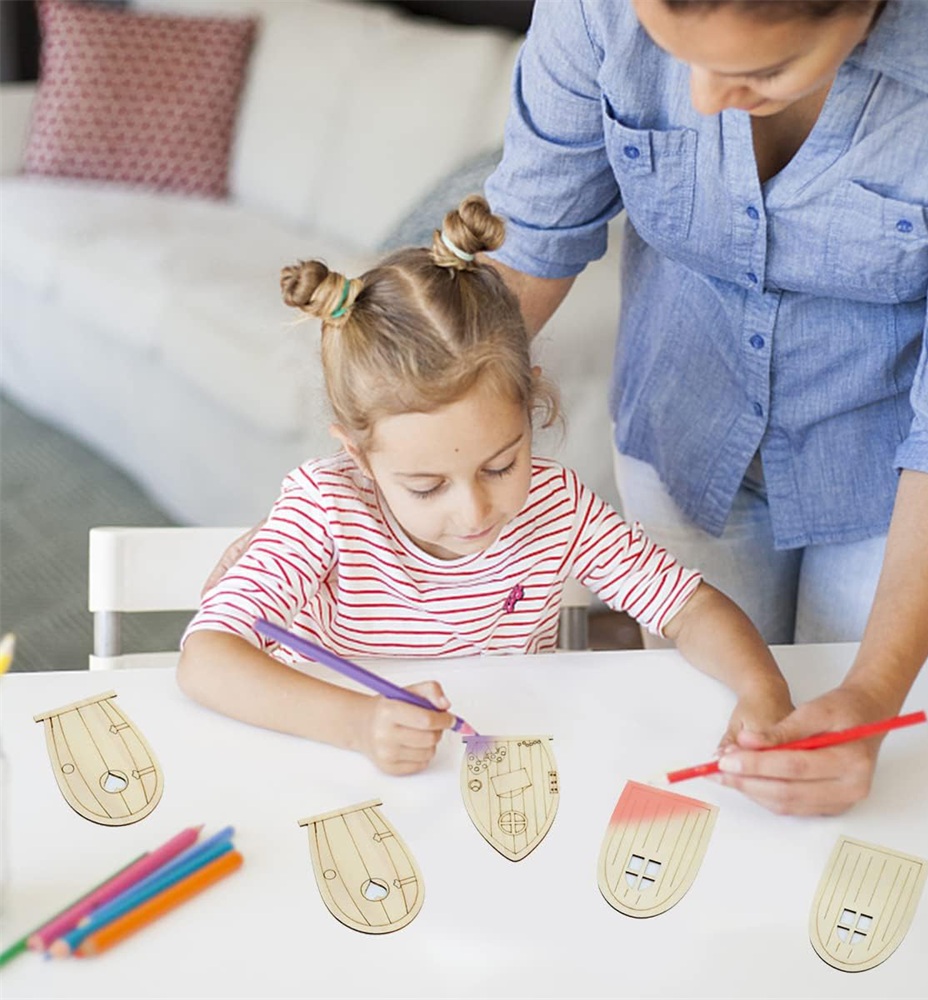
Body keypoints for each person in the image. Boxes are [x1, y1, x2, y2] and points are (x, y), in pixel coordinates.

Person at [476, 0, 928, 815]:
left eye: (761, 71)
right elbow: (528, 245)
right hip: (683, 431)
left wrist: (873, 694)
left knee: (865, 794)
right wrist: (387, 444)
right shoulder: (596, 8)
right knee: (708, 753)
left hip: (901, 487)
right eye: (670, 51)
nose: (703, 100)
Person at [179, 196, 794, 776]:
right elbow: (206, 657)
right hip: (334, 764)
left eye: (500, 466)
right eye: (426, 487)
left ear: (530, 404)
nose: (475, 511)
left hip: (496, 766)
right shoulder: (326, 510)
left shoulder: (557, 506)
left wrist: (763, 689)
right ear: (359, 457)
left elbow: (689, 608)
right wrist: (359, 724)